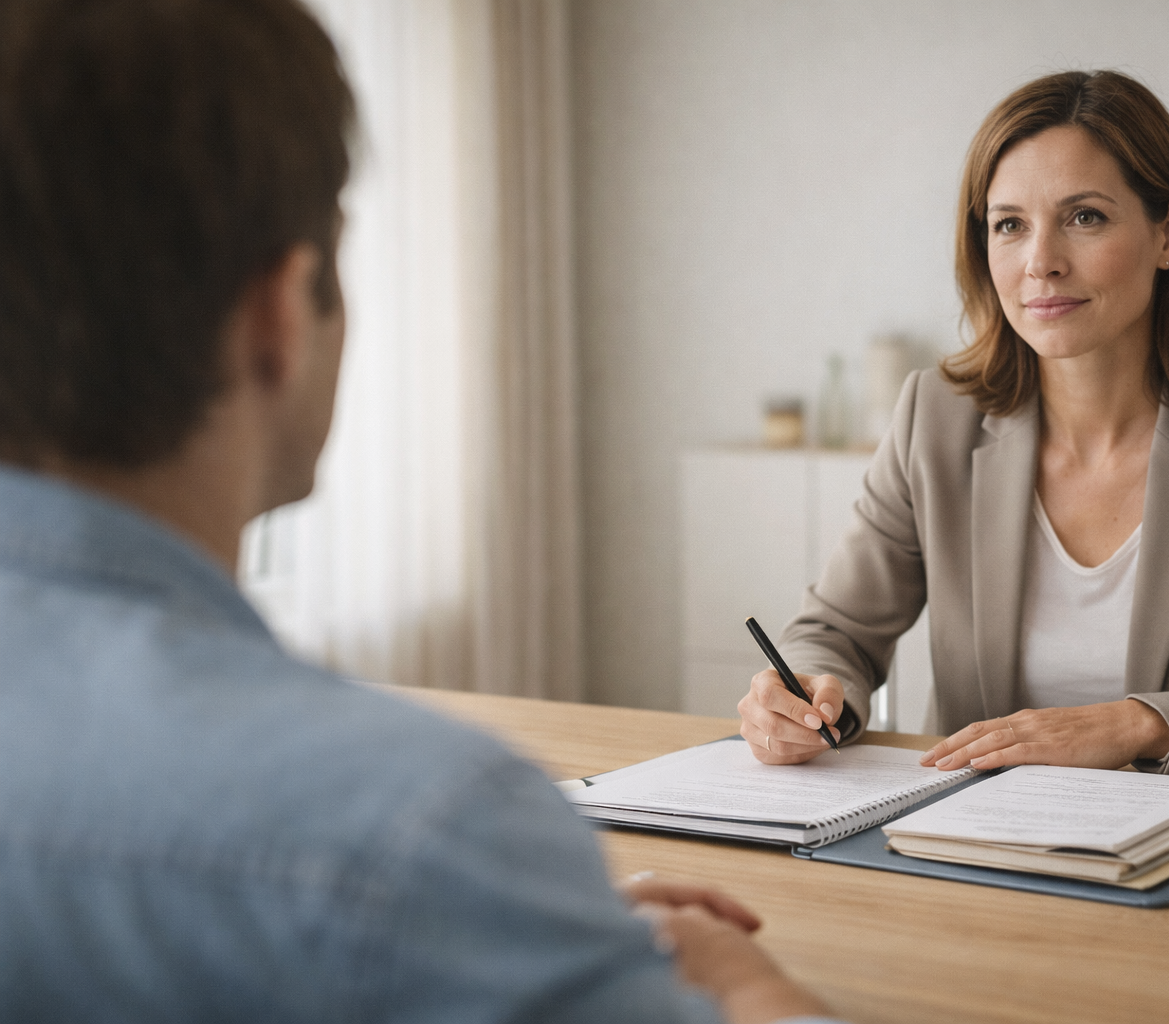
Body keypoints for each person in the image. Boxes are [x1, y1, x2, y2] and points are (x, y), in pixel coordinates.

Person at [0, 2, 838, 1021]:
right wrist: (736, 976)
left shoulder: (422, 867)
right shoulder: (416, 831)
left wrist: (513, 930)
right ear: (281, 312)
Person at [736, 70, 1169, 782]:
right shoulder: (936, 419)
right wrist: (807, 691)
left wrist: (1141, 723)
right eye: (1009, 225)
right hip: (962, 851)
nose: (1041, 263)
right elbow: (837, 633)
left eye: (1085, 217)